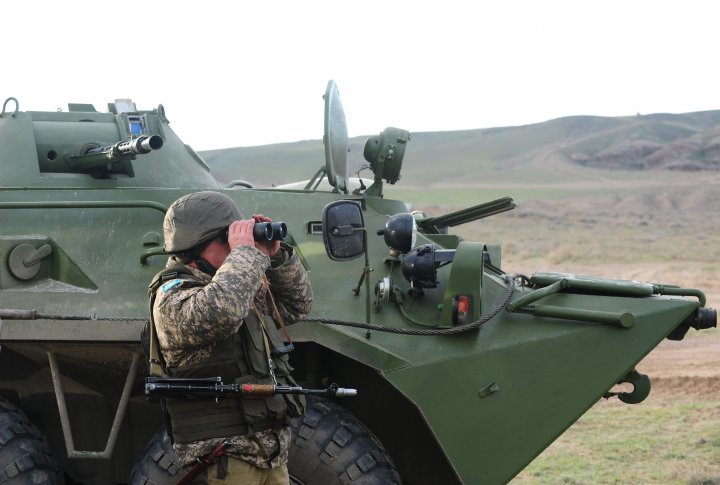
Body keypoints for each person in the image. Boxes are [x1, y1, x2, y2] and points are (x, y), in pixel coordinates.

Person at [148, 191, 313, 484]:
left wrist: (275, 258)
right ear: (197, 246)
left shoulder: (237, 285)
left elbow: (297, 305)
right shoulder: (173, 295)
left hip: (269, 453)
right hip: (224, 457)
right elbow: (221, 313)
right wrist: (246, 253)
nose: (238, 244)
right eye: (229, 238)